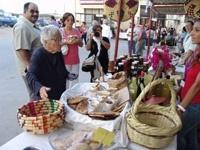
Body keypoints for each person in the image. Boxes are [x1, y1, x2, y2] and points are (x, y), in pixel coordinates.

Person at [26, 25, 77, 100]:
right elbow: (30, 75)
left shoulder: (57, 52)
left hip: (59, 94)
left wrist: (67, 74)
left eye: (61, 38)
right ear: (46, 41)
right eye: (57, 39)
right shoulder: (38, 54)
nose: (61, 42)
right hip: (46, 97)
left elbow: (61, 68)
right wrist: (40, 88)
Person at [177, 19, 200, 150]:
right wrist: (180, 87)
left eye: (197, 30)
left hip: (194, 105)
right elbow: (189, 77)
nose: (191, 32)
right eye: (192, 29)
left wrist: (180, 108)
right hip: (189, 103)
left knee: (178, 134)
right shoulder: (197, 51)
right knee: (190, 136)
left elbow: (197, 85)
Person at [13, 2, 42, 100]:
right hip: (32, 71)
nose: (35, 14)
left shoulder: (31, 25)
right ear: (24, 12)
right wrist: (32, 70)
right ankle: (34, 115)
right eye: (32, 11)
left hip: (37, 69)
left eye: (37, 11)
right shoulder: (22, 27)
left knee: (38, 96)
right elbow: (22, 50)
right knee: (36, 96)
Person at [60, 12, 83, 88]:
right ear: (64, 21)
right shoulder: (60, 31)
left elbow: (81, 44)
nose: (70, 22)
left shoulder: (76, 31)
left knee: (75, 80)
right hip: (64, 60)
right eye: (68, 20)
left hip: (75, 59)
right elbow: (57, 44)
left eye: (72, 20)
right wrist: (67, 42)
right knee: (64, 80)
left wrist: (77, 41)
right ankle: (64, 96)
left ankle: (73, 96)